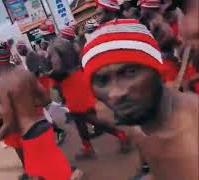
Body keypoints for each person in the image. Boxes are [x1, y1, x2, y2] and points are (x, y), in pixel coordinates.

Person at [82, 19, 198, 180]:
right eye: (102, 81)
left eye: (130, 71)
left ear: (158, 69)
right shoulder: (140, 122)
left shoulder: (191, 137)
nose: (115, 93)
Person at [0, 40, 72, 180]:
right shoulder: (24, 73)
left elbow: (9, 125)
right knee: (56, 173)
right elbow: (46, 100)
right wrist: (25, 102)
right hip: (44, 127)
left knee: (46, 175)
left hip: (31, 135)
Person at [47, 38, 129, 159]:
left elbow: (57, 70)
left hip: (72, 86)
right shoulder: (68, 48)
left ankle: (121, 134)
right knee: (80, 120)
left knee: (87, 118)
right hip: (78, 79)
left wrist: (49, 74)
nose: (51, 58)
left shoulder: (57, 56)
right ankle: (87, 147)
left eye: (52, 56)